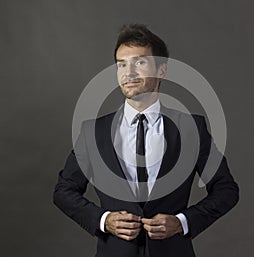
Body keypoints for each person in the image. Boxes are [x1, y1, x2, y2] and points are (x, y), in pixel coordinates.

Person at [53, 24, 239, 257]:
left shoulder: (191, 128)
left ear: (161, 70)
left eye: (139, 62)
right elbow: (63, 191)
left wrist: (183, 222)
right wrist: (103, 220)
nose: (128, 73)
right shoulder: (93, 131)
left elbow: (226, 190)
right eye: (121, 64)